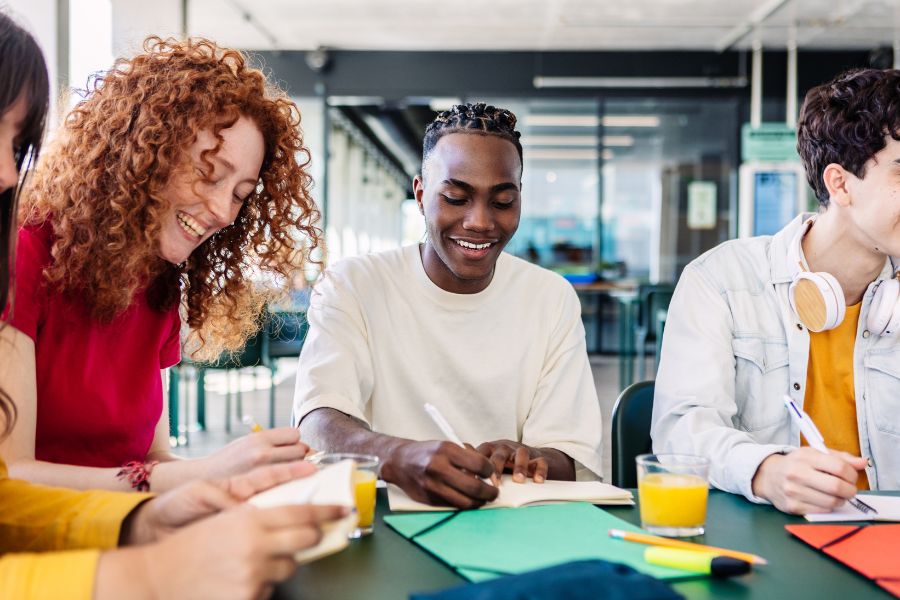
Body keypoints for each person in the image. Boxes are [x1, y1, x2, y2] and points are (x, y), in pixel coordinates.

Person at [0, 12, 345, 598]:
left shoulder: (159, 282)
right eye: (209, 175)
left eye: (240, 194)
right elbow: (12, 478)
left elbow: (151, 457)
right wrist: (192, 482)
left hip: (120, 545)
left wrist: (218, 482)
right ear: (143, 155)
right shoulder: (26, 248)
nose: (224, 212)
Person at [294, 103, 603, 509]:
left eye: (503, 201)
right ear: (421, 195)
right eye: (456, 197)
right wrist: (398, 456)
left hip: (508, 522)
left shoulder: (550, 297)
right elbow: (318, 421)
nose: (480, 221)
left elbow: (572, 457)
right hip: (385, 515)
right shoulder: (354, 285)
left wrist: (531, 459)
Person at [652, 68, 900, 515]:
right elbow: (682, 428)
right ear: (840, 184)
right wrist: (765, 470)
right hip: (768, 540)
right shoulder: (723, 280)